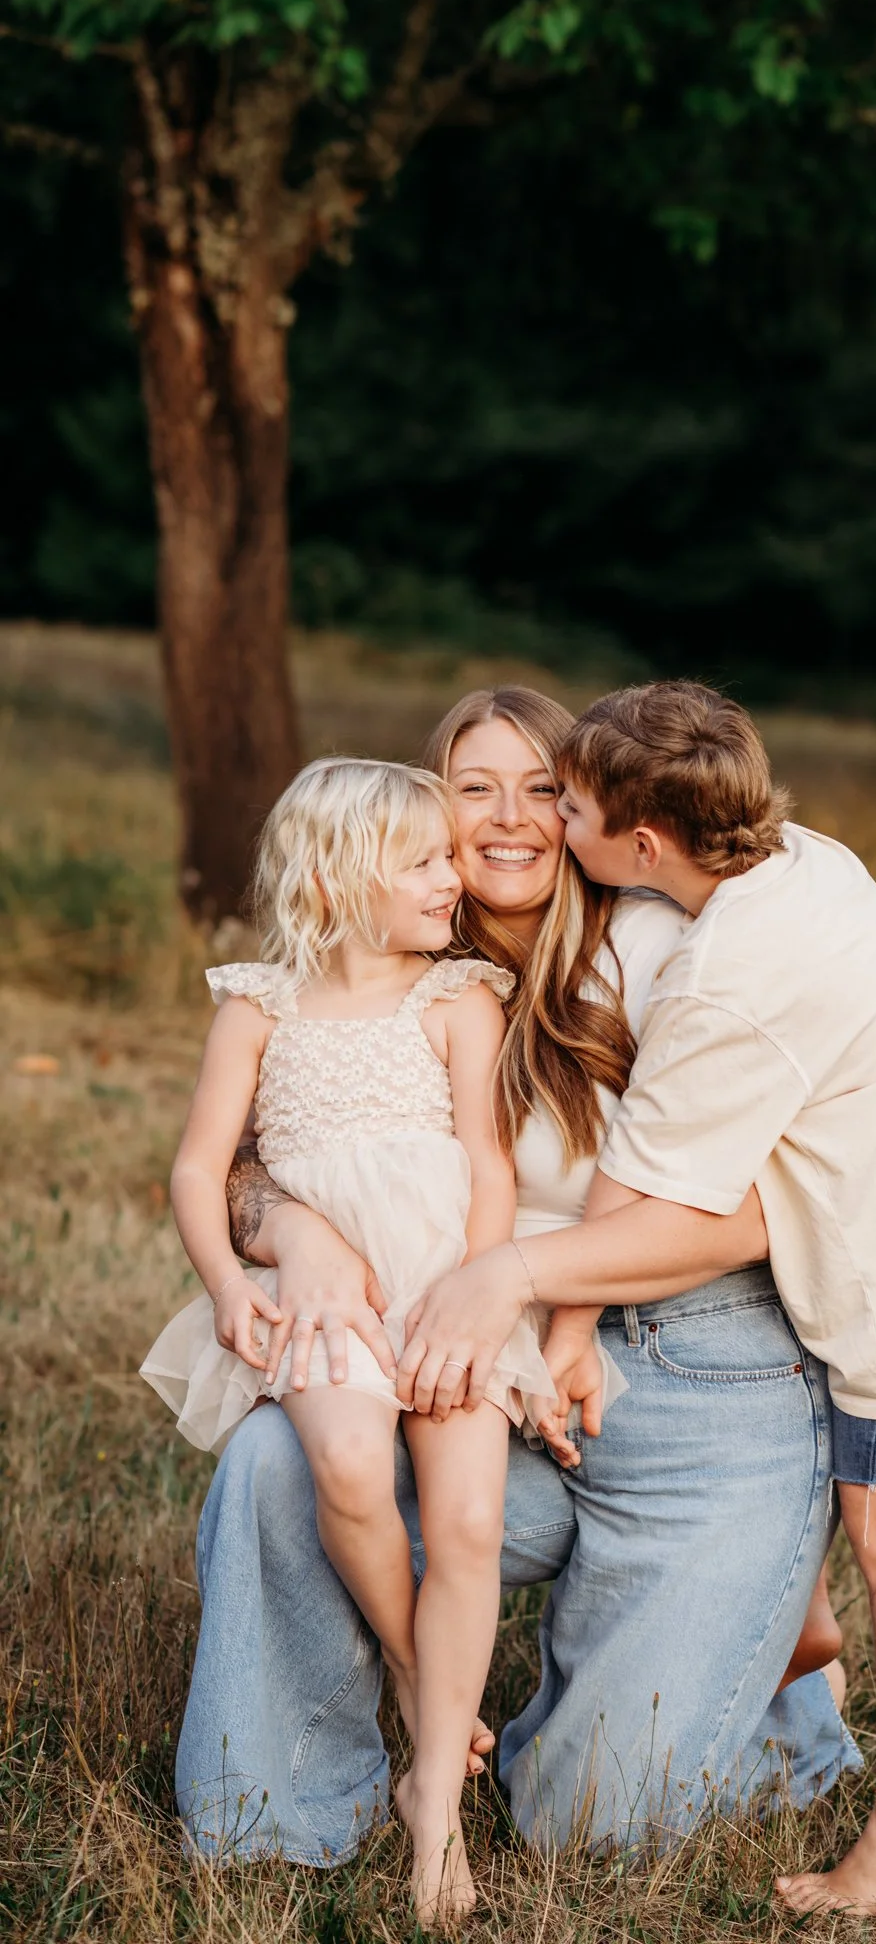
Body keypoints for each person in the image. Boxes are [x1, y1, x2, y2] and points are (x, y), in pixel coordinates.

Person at [173, 688, 858, 1869]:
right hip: (470, 1339)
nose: (506, 819)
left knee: (590, 1819)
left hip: (693, 1365)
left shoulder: (663, 947)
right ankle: (272, 1814)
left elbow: (771, 1203)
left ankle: (762, 1677)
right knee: (277, 1463)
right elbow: (243, 1153)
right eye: (471, 790)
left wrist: (525, 1278)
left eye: (542, 788)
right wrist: (289, 1228)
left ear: (590, 808)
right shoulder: (416, 953)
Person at [413, 681, 876, 1913]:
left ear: (642, 847)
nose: (547, 820)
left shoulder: (726, 981)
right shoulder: (791, 859)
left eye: (567, 801)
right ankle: (792, 1646)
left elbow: (669, 1209)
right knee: (874, 1539)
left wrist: (524, 1280)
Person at [144, 756, 559, 1923]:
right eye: (423, 861)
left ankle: (433, 1805)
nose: (451, 878)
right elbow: (195, 1165)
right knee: (341, 1462)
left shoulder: (455, 999)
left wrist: (478, 1302)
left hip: (444, 1289)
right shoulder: (257, 1003)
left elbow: (486, 1163)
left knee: (468, 1517)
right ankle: (421, 1671)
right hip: (329, 1303)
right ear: (337, 876)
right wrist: (229, 1280)